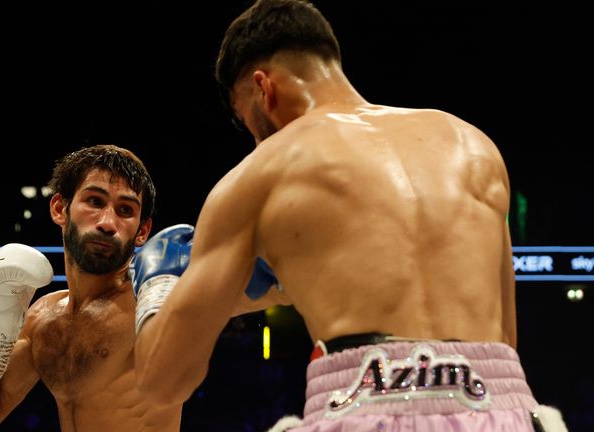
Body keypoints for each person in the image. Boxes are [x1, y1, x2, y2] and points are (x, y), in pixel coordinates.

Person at [131, 1, 567, 431]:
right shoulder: (472, 144)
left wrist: (157, 285)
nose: (256, 141)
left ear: (264, 89)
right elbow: (506, 338)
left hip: (362, 407)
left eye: (248, 121)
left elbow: (162, 381)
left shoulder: (259, 175)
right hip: (502, 406)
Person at [0, 144, 178, 431]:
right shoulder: (43, 319)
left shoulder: (150, 305)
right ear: (59, 208)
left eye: (125, 210)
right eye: (95, 201)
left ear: (142, 230)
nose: (107, 222)